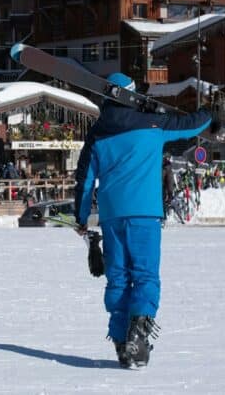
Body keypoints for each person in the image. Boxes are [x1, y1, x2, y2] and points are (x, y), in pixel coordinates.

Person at [75, 72, 212, 369]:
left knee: (119, 278)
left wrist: (81, 217)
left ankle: (122, 341)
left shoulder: (98, 133)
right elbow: (193, 125)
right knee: (145, 275)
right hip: (145, 214)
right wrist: (210, 111)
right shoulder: (153, 124)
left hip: (112, 217)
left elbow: (84, 180)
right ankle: (138, 332)